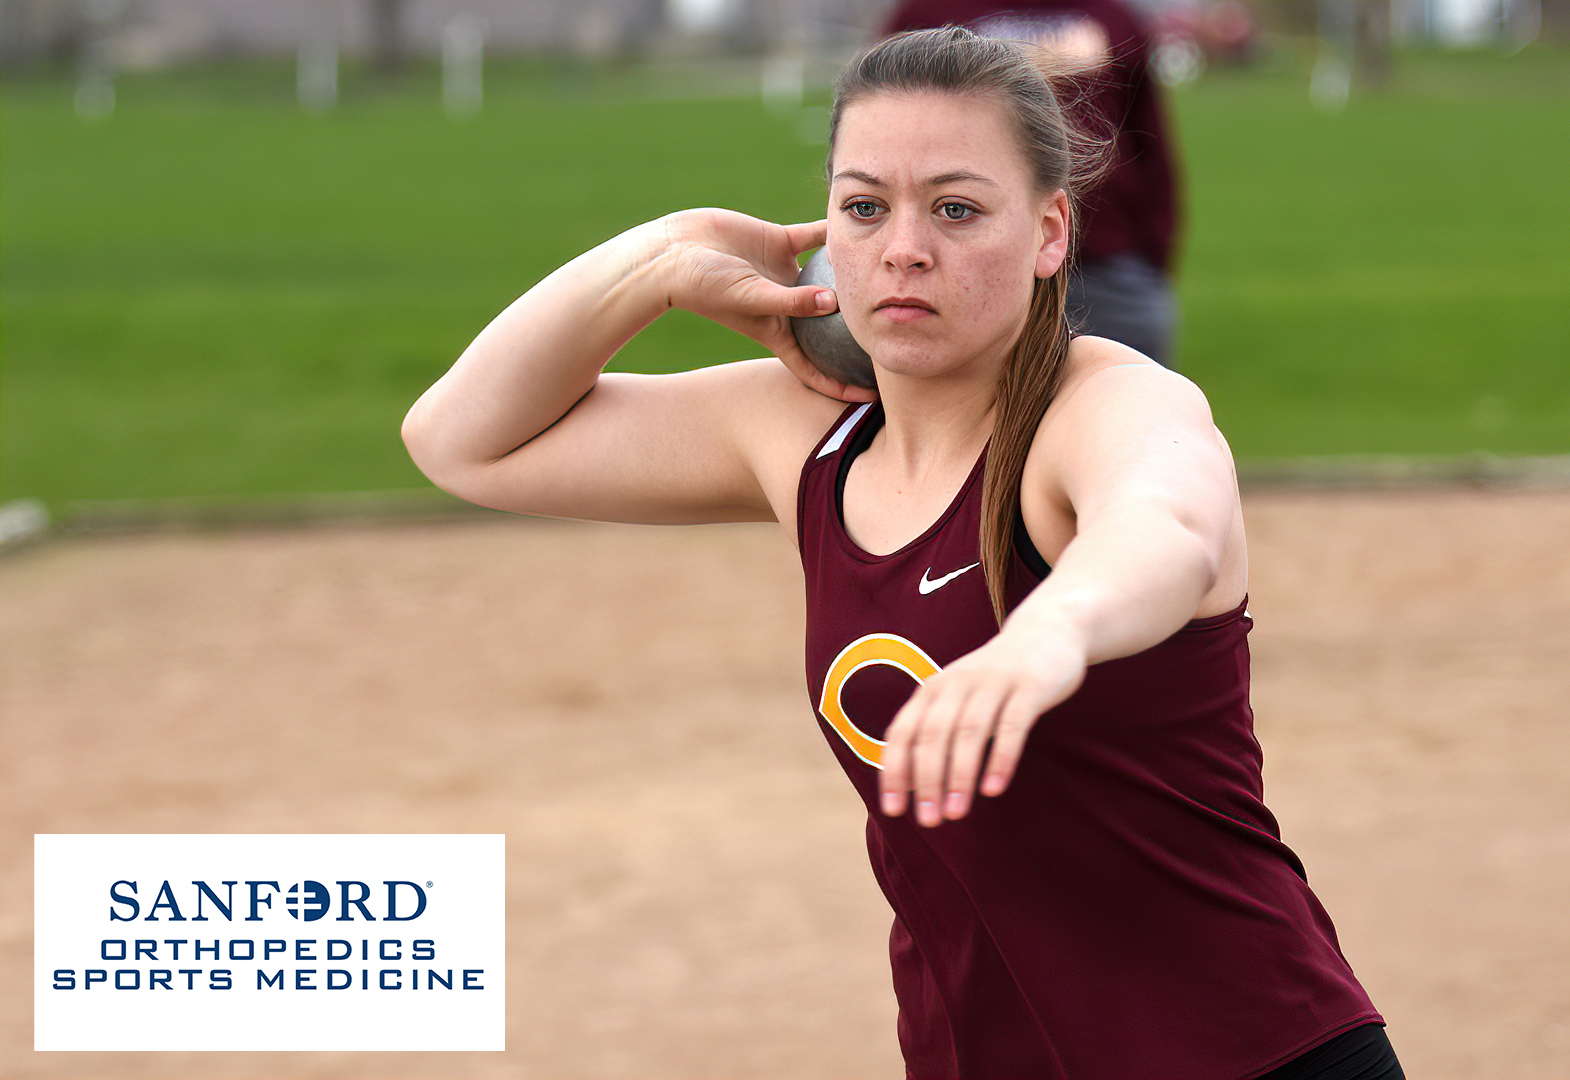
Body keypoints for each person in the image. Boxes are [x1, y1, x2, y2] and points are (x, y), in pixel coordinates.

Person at [402, 26, 1398, 1080]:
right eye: (864, 207)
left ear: (1051, 231)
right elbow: (462, 441)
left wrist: (1051, 632)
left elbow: (1167, 528)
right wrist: (660, 259)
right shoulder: (803, 434)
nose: (903, 248)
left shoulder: (1104, 404)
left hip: (1246, 1054)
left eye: (956, 209)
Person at [881, 0, 1183, 367]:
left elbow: (1149, 141)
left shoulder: (1113, 16)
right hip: (967, 264)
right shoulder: (926, 14)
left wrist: (1150, 256)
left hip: (1106, 266)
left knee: (1126, 406)